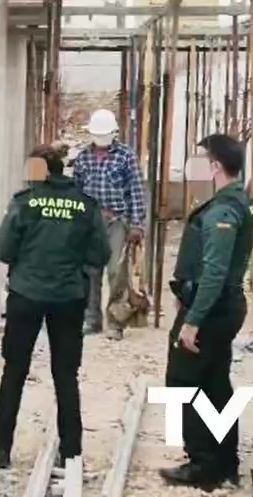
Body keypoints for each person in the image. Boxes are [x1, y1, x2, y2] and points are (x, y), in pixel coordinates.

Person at [0, 144, 110, 470]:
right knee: (65, 375)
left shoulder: (24, 204)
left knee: (14, 371)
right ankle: (71, 450)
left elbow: (2, 250)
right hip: (68, 298)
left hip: (25, 295)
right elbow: (101, 255)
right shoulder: (85, 207)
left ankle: (1, 449)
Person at [159, 134, 253, 491]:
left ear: (214, 166)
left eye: (200, 159)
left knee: (184, 383)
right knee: (215, 384)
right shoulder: (231, 203)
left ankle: (202, 465)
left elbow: (214, 273)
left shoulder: (223, 211)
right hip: (220, 307)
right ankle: (225, 461)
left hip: (211, 310)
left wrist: (192, 322)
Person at [71, 108, 148, 340]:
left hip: (117, 220)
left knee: (116, 271)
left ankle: (116, 320)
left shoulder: (126, 156)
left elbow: (136, 190)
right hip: (91, 221)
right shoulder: (83, 158)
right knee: (90, 270)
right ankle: (92, 319)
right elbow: (76, 191)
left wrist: (137, 225)